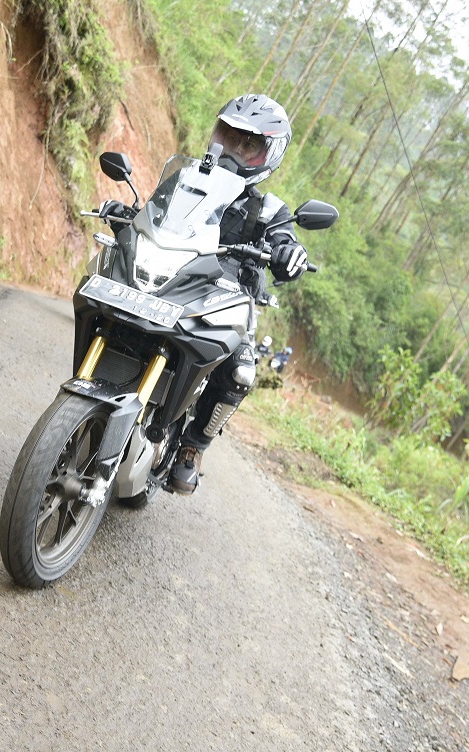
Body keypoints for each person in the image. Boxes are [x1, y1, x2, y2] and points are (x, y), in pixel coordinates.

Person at [167, 93, 309, 494]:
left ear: (268, 155)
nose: (234, 149)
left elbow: (285, 236)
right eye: (229, 136)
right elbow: (156, 210)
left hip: (229, 298)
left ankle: (192, 446)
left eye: (249, 144)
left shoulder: (270, 209)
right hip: (176, 277)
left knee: (241, 370)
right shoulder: (186, 177)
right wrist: (128, 210)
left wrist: (289, 252)